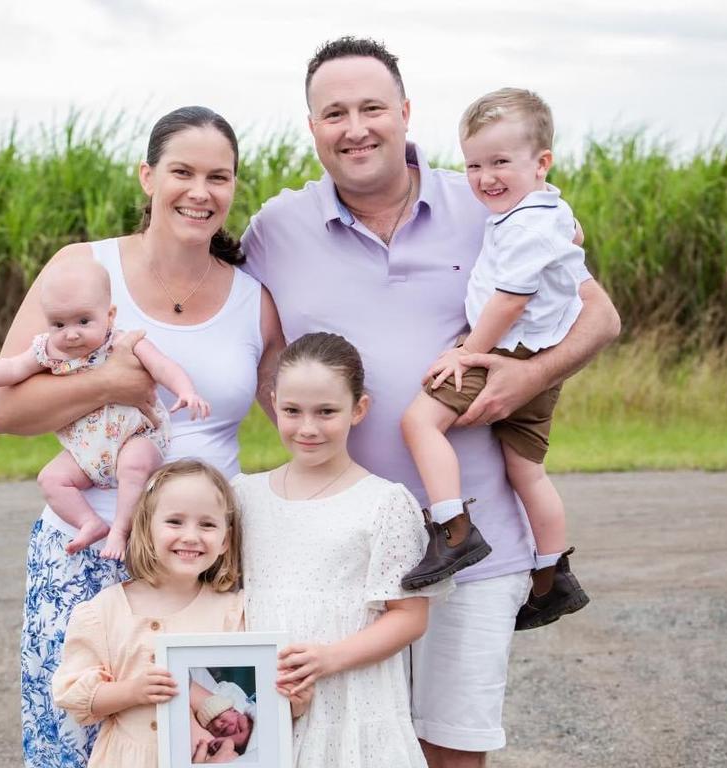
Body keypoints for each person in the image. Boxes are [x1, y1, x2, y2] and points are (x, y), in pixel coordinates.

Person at [240, 37, 620, 768]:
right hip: (345, 546)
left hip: (478, 546)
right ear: (312, 126)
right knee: (343, 744)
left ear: (406, 113)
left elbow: (598, 317)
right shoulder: (276, 229)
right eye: (334, 113)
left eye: (373, 107)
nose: (356, 127)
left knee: (451, 751)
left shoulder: (485, 199)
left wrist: (525, 379)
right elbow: (254, 351)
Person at [0, 105, 285, 768]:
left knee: (197, 743)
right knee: (70, 740)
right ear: (148, 176)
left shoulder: (252, 299)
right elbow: (4, 412)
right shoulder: (82, 269)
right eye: (182, 171)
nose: (200, 191)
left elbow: (298, 418)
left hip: (201, 562)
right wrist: (113, 387)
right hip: (84, 550)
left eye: (219, 176)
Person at [399, 87, 590, 630]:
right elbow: (571, 235)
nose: (485, 177)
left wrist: (470, 351)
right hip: (540, 350)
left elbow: (513, 296)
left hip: (510, 349)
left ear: (541, 162)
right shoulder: (546, 207)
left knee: (418, 422)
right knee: (526, 469)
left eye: (500, 162)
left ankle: (454, 531)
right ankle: (553, 575)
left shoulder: (526, 222)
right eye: (474, 164)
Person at [234, 332, 450, 768]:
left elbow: (409, 616)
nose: (308, 427)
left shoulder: (385, 503)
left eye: (326, 412)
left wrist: (327, 659)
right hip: (271, 698)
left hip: (353, 698)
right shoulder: (243, 496)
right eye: (292, 411)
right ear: (274, 403)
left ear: (359, 409)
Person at [0, 259, 210, 559]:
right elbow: (10, 368)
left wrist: (186, 391)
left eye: (83, 322)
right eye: (59, 324)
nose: (71, 334)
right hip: (86, 451)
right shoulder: (48, 351)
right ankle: (89, 522)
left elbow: (163, 366)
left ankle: (121, 530)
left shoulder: (123, 342)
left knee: (134, 465)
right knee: (50, 479)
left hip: (135, 436)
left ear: (109, 315)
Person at [51, 459, 245, 768]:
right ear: (146, 527)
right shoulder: (105, 612)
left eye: (207, 524)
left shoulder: (232, 613)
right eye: (175, 522)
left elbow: (259, 685)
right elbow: (74, 696)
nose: (191, 536)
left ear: (224, 540)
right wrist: (133, 691)